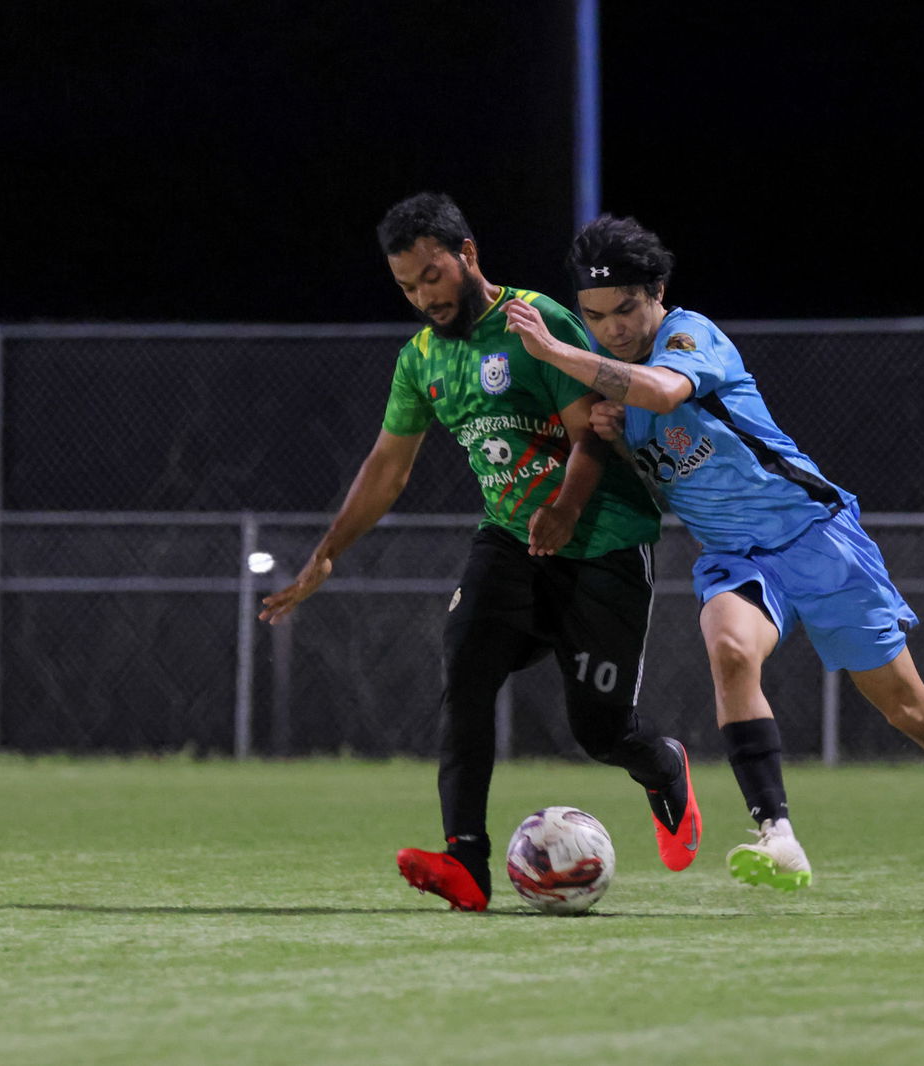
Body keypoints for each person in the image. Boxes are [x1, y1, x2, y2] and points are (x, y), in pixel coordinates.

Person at [502, 215, 924, 912]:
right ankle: (777, 833)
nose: (612, 328)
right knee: (732, 652)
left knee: (912, 711)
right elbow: (639, 429)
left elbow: (662, 392)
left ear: (658, 293)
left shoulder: (689, 336)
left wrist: (555, 350)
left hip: (816, 540)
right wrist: (610, 438)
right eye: (595, 316)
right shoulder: (616, 386)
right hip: (736, 559)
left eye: (625, 309)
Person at [259, 194, 701, 912]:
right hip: (511, 539)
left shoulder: (539, 322)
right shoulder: (421, 360)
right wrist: (327, 553)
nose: (423, 296)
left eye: (432, 275)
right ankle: (466, 862)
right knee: (465, 668)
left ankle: (664, 767)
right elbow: (388, 467)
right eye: (407, 286)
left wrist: (562, 509)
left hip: (602, 541)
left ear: (467, 255)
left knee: (600, 729)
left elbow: (589, 431)